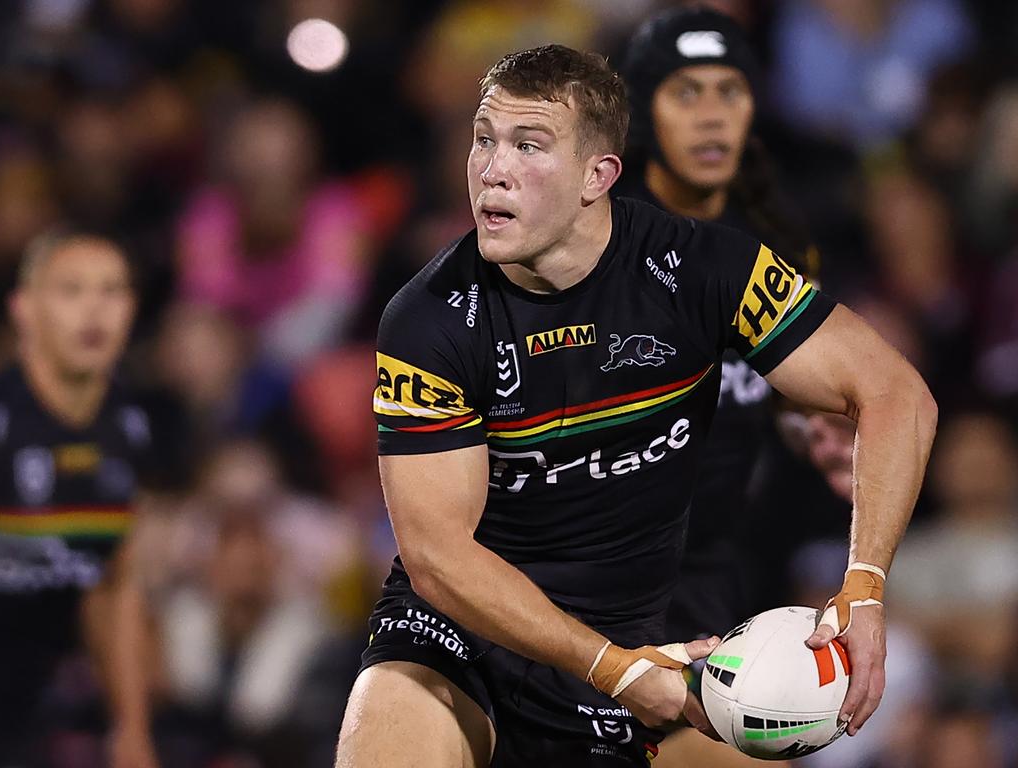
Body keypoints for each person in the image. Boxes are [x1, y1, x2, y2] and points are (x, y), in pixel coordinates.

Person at [337, 45, 937, 768]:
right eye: (484, 139)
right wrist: (610, 665)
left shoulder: (704, 271)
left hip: (629, 648)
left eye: (528, 145)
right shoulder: (428, 320)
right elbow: (437, 559)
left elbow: (894, 392)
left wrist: (864, 586)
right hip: (461, 637)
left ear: (599, 175)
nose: (492, 169)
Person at [618, 10, 853, 765]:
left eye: (730, 90)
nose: (713, 111)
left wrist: (806, 426)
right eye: (686, 92)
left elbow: (770, 387)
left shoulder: (780, 241)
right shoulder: (597, 244)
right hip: (591, 569)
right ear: (643, 111)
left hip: (707, 576)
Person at [0, 232, 159, 768]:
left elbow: (116, 582)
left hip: (54, 696)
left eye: (112, 291)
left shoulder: (129, 426)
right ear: (24, 310)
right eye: (71, 291)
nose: (95, 310)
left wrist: (131, 729)